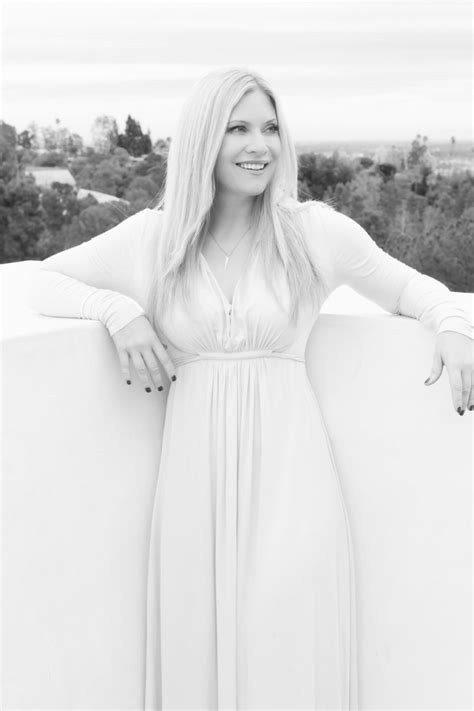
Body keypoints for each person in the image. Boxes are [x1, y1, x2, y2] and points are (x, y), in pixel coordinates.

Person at [28, 65, 473, 710]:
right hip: (192, 483)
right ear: (205, 140)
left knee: (288, 641)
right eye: (237, 128)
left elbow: (409, 287)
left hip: (293, 477)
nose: (258, 144)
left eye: (269, 127)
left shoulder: (313, 231)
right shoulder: (155, 240)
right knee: (197, 647)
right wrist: (118, 313)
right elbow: (42, 280)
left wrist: (454, 323)